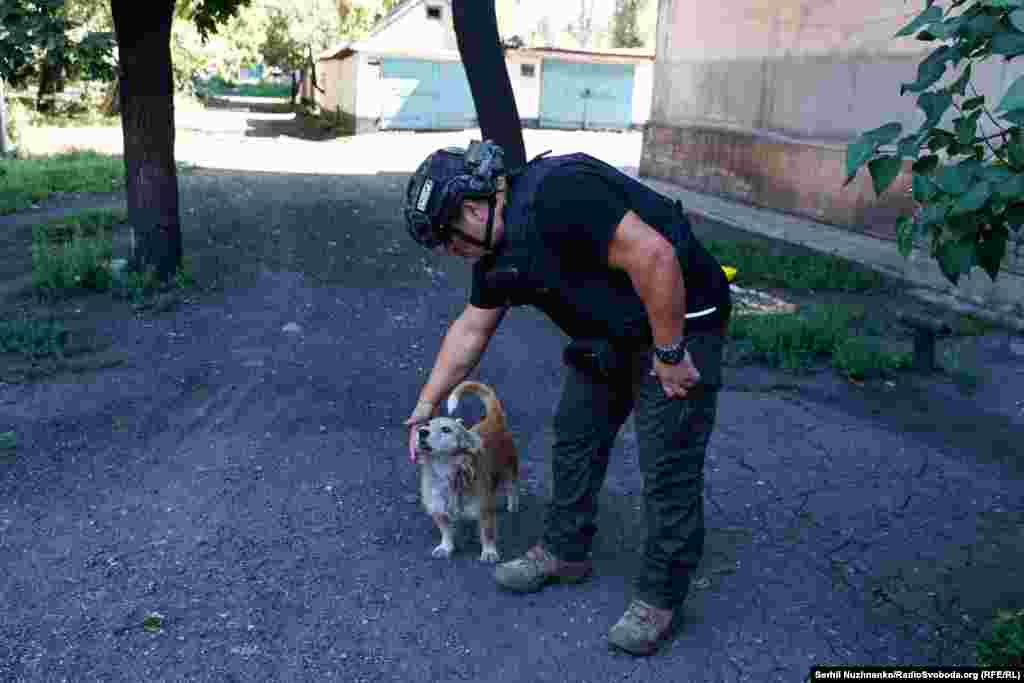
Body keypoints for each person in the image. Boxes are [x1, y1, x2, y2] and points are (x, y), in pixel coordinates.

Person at [401, 140, 732, 656]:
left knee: (668, 463)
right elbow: (471, 329)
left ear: (472, 208)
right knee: (576, 435)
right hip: (608, 331)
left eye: (447, 239)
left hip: (677, 320)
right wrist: (424, 407)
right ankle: (564, 549)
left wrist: (669, 353)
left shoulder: (559, 193)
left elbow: (655, 256)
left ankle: (661, 597)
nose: (450, 252)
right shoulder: (496, 256)